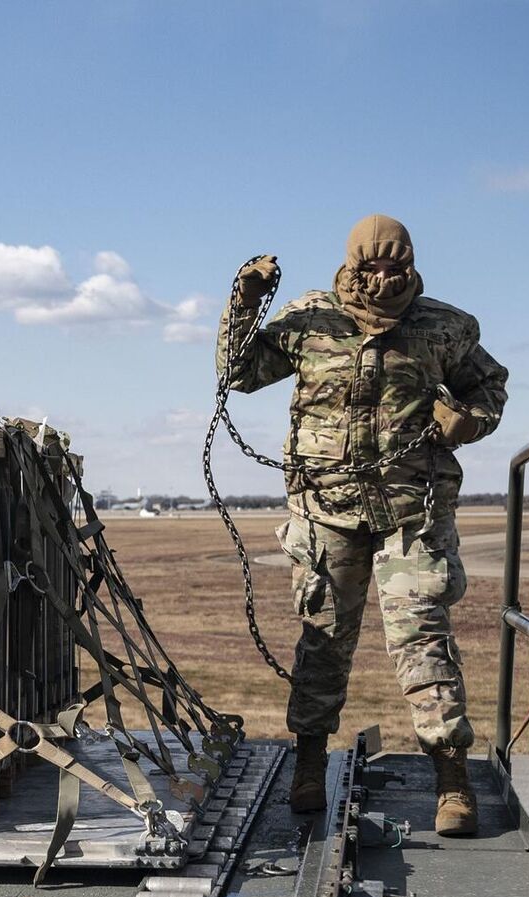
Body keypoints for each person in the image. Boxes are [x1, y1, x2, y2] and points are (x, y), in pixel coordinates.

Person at [215, 214, 508, 834]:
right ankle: (308, 763)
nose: (382, 278)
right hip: (325, 507)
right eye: (369, 266)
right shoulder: (309, 320)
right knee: (323, 637)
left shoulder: (446, 327)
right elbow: (239, 376)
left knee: (422, 635)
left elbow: (489, 388)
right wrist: (241, 306)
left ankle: (452, 778)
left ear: (410, 265)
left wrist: (470, 421)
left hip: (412, 507)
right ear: (350, 265)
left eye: (394, 266)